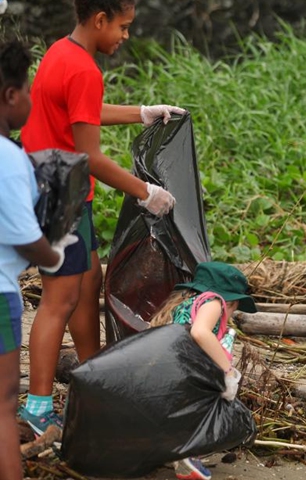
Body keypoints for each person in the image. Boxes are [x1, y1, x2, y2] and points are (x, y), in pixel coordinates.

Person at [18, 0, 185, 435]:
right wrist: (144, 191)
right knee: (60, 299)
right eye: (123, 27)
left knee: (89, 279)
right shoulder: (84, 69)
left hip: (50, 182)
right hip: (61, 193)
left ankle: (93, 378)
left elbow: (82, 115)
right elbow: (89, 156)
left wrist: (140, 112)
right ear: (99, 20)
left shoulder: (61, 53)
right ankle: (37, 407)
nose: (125, 36)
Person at [0, 39, 78, 480]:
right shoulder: (8, 158)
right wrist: (54, 253)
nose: (31, 99)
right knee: (3, 405)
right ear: (11, 95)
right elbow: (26, 238)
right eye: (26, 90)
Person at [149, 261, 257, 480]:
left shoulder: (187, 303)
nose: (233, 312)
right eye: (235, 305)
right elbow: (200, 333)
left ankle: (175, 452)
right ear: (229, 299)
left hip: (170, 368)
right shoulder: (213, 301)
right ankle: (188, 458)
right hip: (189, 370)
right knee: (200, 411)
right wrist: (227, 371)